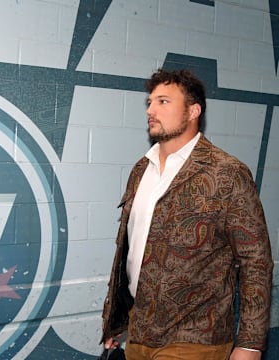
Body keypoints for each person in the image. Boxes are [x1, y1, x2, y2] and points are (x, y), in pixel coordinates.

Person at [100, 69, 273, 360]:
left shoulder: (226, 173)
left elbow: (256, 261)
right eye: (150, 102)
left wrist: (250, 344)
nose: (151, 110)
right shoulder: (141, 170)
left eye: (163, 102)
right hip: (139, 335)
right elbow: (131, 251)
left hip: (195, 340)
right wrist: (116, 319)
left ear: (193, 110)